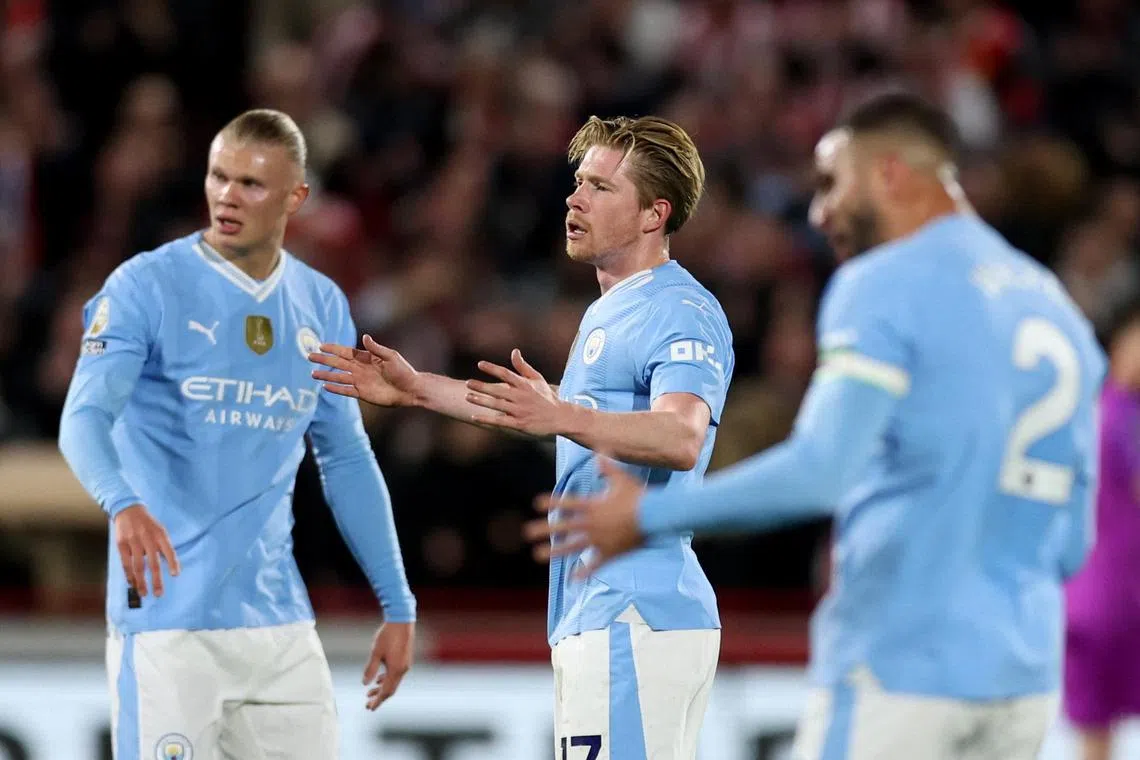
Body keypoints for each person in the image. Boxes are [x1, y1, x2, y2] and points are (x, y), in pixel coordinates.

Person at [528, 92, 1107, 760]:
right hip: (1022, 676)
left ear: (890, 173)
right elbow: (1073, 541)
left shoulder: (884, 283)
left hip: (905, 658)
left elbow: (821, 470)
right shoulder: (1053, 305)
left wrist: (649, 516)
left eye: (833, 182)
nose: (820, 211)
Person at [311, 115, 734, 760]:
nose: (574, 199)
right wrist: (417, 389)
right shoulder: (614, 309)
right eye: (578, 182)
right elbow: (542, 412)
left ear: (655, 214)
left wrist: (564, 415)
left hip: (635, 609)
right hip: (602, 611)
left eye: (600, 187)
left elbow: (681, 436)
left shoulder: (679, 308)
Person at [58, 109, 416, 760]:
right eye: (218, 177)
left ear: (295, 197)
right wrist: (122, 502)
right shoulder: (146, 285)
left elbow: (346, 458)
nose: (227, 195)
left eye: (250, 183)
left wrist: (397, 604)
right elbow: (83, 418)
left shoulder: (320, 303)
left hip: (278, 625)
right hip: (166, 619)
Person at [1064, 299, 1140, 760]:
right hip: (1101, 595)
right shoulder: (1111, 414)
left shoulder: (1108, 411)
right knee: (1093, 726)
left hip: (1106, 591)